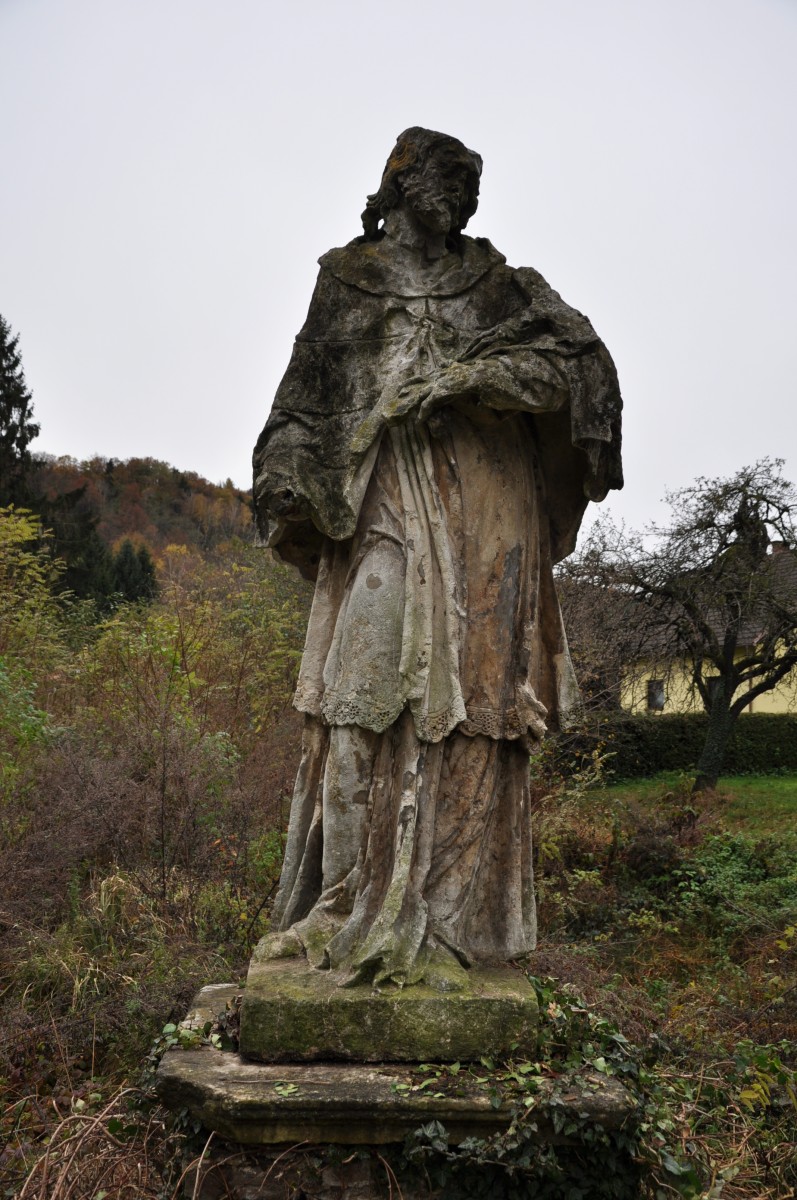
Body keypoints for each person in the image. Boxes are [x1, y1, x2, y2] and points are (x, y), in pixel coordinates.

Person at [252, 127, 623, 990]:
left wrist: (469, 380)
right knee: (356, 694)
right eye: (446, 176)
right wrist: (283, 479)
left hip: (487, 511)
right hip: (383, 500)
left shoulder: (499, 287)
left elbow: (580, 370)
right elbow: (301, 405)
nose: (462, 191)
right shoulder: (349, 279)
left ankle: (451, 919)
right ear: (400, 180)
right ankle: (341, 902)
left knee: (473, 713)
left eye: (471, 181)